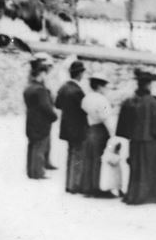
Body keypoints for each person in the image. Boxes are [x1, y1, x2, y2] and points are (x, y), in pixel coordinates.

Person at [115, 68, 156, 205]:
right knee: (151, 167)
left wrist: (129, 135)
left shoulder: (130, 101)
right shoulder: (153, 102)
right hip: (151, 140)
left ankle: (135, 194)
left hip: (135, 141)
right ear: (149, 85)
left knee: (137, 167)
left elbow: (122, 124)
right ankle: (152, 195)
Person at [55, 60, 89, 194]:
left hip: (66, 126)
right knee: (78, 156)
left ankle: (69, 184)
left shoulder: (63, 88)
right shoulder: (77, 91)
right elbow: (85, 108)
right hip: (78, 127)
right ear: (79, 74)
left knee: (71, 155)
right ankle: (75, 184)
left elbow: (57, 104)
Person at [80, 76, 115, 197]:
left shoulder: (87, 98)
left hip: (90, 128)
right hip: (100, 129)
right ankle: (99, 187)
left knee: (89, 157)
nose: (105, 89)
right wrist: (113, 134)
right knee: (99, 159)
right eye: (104, 86)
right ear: (100, 86)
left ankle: (87, 186)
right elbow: (106, 117)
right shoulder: (102, 99)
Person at [24, 56, 57, 180]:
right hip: (41, 122)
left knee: (32, 146)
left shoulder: (29, 87)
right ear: (41, 74)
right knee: (40, 146)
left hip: (31, 120)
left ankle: (31, 171)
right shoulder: (40, 90)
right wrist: (54, 117)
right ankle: (38, 172)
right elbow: (46, 106)